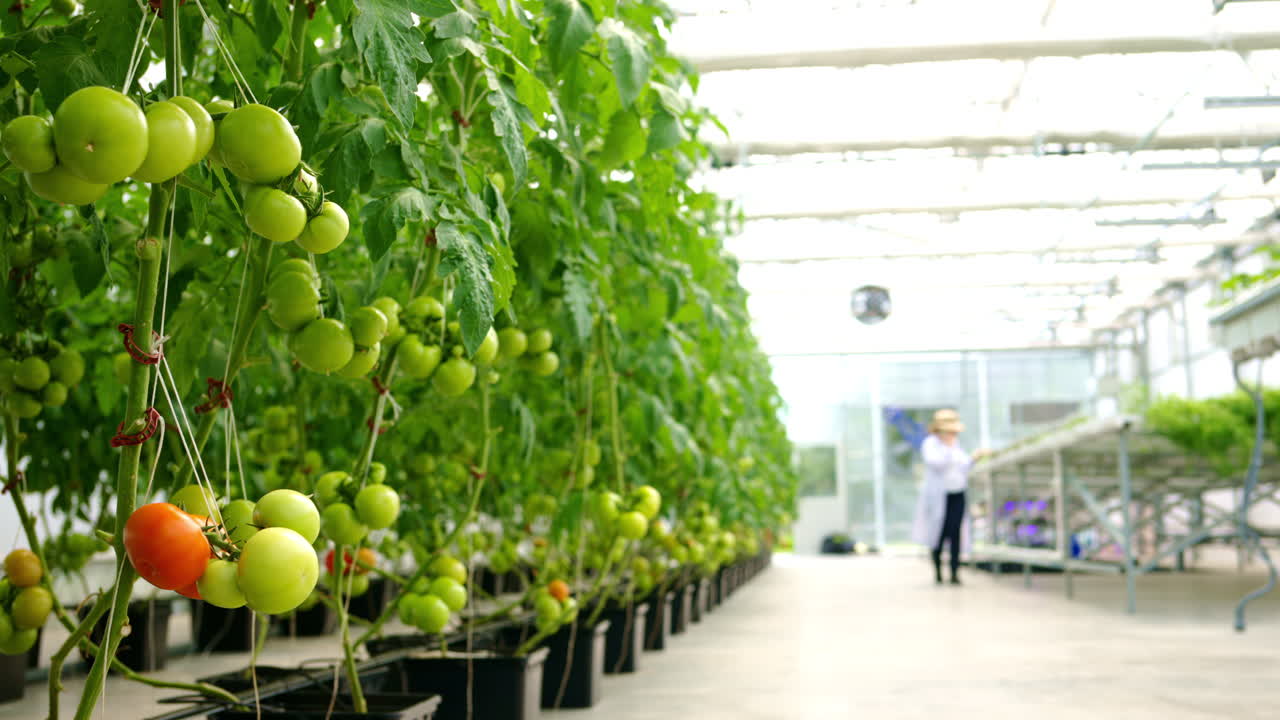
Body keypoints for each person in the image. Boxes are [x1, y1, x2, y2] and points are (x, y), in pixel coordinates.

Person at [910, 409, 989, 585]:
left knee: (955, 533)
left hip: (957, 493)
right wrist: (947, 447)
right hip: (939, 495)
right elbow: (936, 463)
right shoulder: (931, 444)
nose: (952, 434)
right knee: (938, 533)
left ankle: (954, 572)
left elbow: (963, 466)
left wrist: (974, 457)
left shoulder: (955, 444)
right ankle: (938, 572)